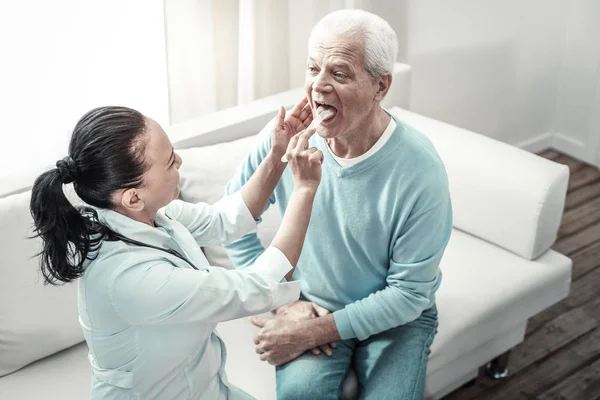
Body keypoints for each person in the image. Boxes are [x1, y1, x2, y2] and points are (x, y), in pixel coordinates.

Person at [29, 99, 324, 400]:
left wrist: (277, 154)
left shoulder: (144, 214)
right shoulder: (129, 278)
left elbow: (225, 220)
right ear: (133, 197)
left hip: (207, 389)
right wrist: (305, 190)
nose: (180, 161)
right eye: (170, 161)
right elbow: (259, 286)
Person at [225, 9, 453, 399]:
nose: (318, 87)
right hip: (309, 302)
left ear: (381, 86)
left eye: (340, 74)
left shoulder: (420, 169)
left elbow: (409, 294)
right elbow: (234, 227)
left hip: (396, 319)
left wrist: (316, 330)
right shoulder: (284, 139)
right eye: (313, 69)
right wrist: (282, 302)